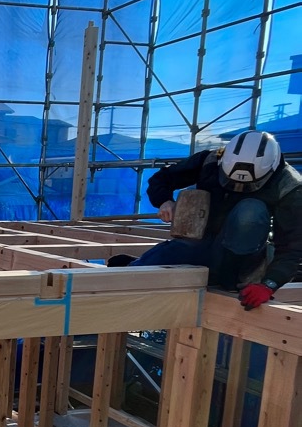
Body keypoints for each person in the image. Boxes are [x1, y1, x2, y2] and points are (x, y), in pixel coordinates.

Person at [126, 131, 302, 310]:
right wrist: (164, 200)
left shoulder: (289, 187)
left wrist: (269, 284)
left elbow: (292, 247)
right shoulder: (210, 161)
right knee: (139, 272)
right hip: (204, 243)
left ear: (270, 171)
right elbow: (162, 178)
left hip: (243, 261)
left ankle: (228, 279)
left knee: (250, 212)